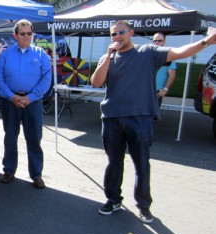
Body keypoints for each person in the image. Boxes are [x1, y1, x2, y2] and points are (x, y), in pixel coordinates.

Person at [90, 20, 216, 223]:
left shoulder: (147, 52)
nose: (117, 37)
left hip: (140, 118)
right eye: (113, 34)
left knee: (141, 164)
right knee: (114, 163)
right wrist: (108, 57)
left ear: (131, 32)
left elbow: (178, 52)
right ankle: (113, 200)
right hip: (112, 118)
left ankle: (143, 205)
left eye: (121, 32)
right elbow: (96, 82)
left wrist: (206, 42)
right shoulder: (107, 57)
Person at [0, 19, 52, 189]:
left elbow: (46, 78)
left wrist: (31, 97)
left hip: (32, 103)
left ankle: (36, 174)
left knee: (34, 138)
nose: (26, 36)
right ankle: (9, 170)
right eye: (22, 33)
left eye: (28, 33)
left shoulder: (41, 54)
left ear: (32, 34)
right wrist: (11, 96)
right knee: (10, 137)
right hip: (10, 102)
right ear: (15, 35)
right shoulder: (5, 54)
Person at [153, 32, 176, 107]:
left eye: (159, 41)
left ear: (164, 42)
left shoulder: (168, 56)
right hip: (144, 89)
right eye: (155, 40)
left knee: (152, 116)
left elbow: (172, 75)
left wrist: (165, 89)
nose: (157, 42)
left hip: (157, 91)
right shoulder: (147, 54)